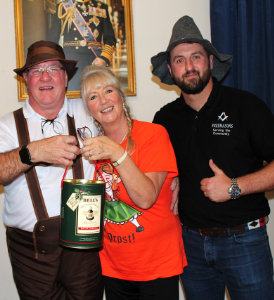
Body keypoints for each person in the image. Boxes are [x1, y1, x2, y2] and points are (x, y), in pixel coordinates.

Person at [150, 16, 274, 299]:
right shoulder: (164, 119)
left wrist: (233, 187)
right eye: (180, 60)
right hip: (191, 243)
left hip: (244, 241)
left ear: (210, 60)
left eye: (196, 57)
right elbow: (164, 169)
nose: (189, 66)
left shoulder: (245, 105)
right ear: (171, 69)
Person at [0, 39, 101, 299]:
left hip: (85, 246)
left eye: (53, 69)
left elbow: (126, 135)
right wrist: (33, 152)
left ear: (65, 78)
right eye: (36, 71)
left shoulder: (90, 111)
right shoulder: (7, 125)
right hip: (31, 252)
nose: (45, 77)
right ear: (26, 80)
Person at [76, 65, 185, 299]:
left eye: (108, 91)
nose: (103, 100)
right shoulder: (91, 148)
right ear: (89, 110)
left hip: (156, 263)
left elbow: (145, 198)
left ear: (120, 95)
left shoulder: (153, 135)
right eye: (93, 97)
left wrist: (118, 153)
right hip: (113, 265)